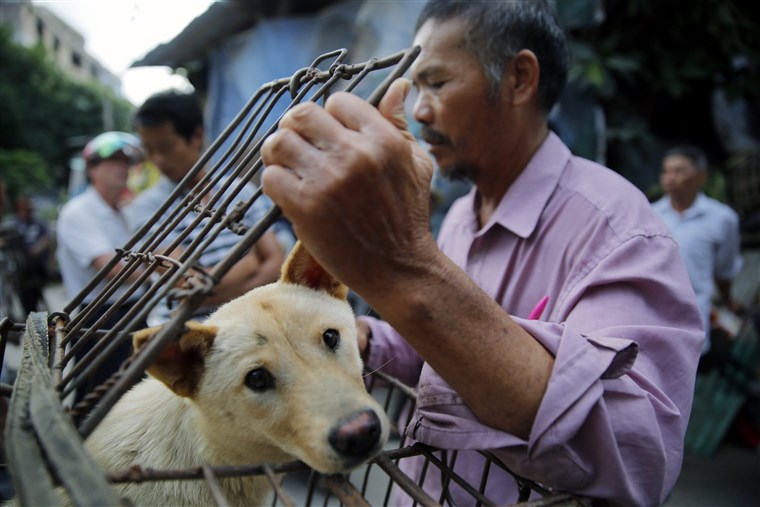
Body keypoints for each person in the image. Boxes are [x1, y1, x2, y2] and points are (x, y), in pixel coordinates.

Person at [260, 1, 704, 505]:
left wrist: (403, 265)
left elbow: (635, 457)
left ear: (518, 79)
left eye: (437, 83)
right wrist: (364, 340)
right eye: (415, 87)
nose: (419, 109)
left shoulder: (619, 231)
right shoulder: (462, 213)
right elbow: (437, 348)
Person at [126, 90, 287, 324]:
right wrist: (250, 263)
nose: (158, 159)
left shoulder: (239, 190)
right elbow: (186, 285)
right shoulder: (147, 208)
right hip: (183, 332)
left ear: (197, 136)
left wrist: (220, 293)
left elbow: (275, 262)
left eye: (165, 147)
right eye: (149, 150)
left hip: (250, 324)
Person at [56, 131, 148, 400]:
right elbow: (111, 269)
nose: (123, 167)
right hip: (98, 317)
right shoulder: (79, 211)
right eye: (113, 160)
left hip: (131, 310)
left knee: (132, 397)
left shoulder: (125, 210)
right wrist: (162, 272)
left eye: (126, 161)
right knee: (98, 401)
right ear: (92, 168)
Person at [653, 145, 744, 356]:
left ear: (701, 176)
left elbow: (724, 270)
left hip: (692, 320)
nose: (670, 178)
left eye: (679, 171)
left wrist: (727, 300)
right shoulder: (650, 214)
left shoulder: (722, 218)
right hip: (653, 315)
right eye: (666, 172)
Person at [6, 196, 50, 313]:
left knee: (36, 296)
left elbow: (46, 239)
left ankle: (37, 320)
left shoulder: (39, 223)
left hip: (36, 267)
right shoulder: (12, 225)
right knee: (26, 300)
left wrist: (34, 251)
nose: (28, 212)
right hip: (19, 270)